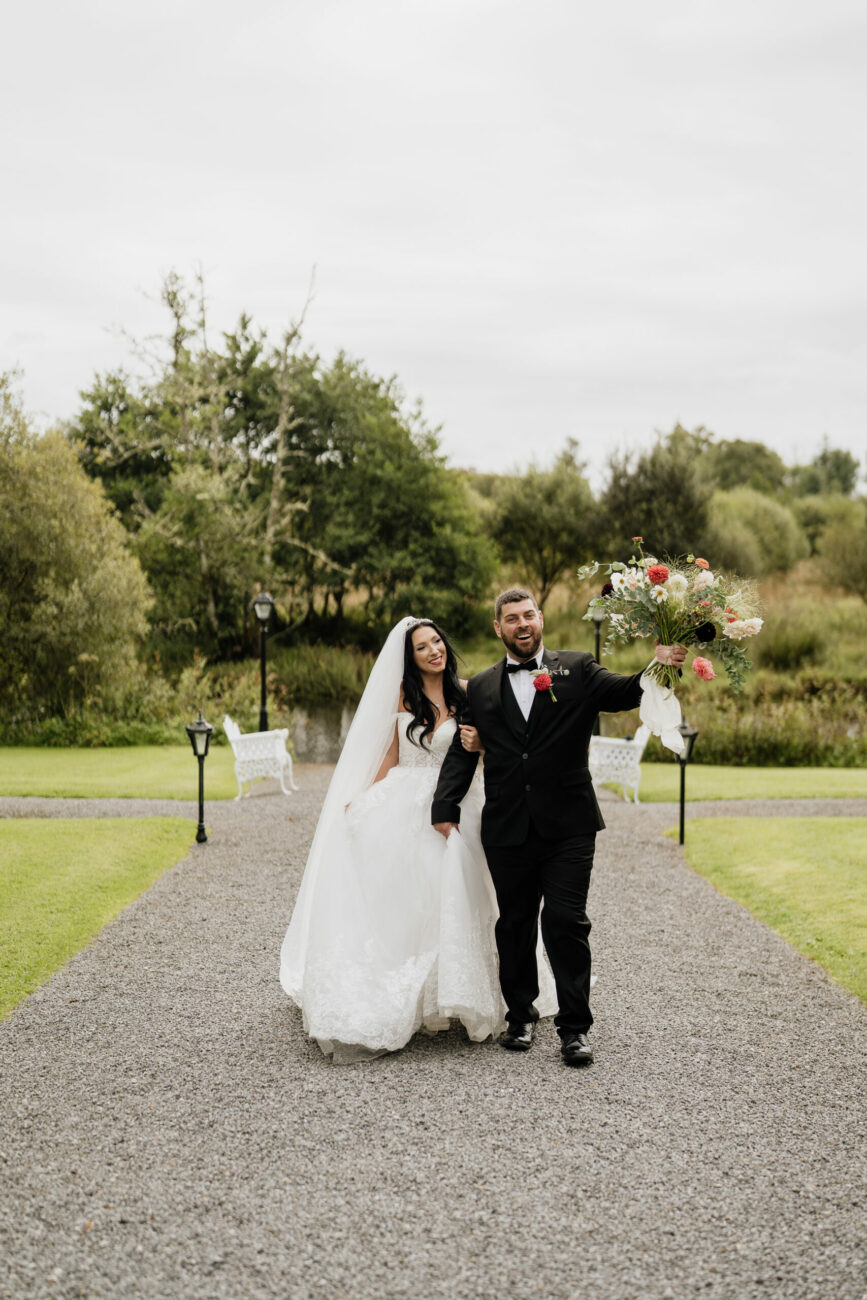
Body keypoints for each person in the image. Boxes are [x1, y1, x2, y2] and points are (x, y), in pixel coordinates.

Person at [280, 615, 556, 1063]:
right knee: (406, 897)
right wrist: (361, 799)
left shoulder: (469, 692)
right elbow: (391, 757)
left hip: (458, 802)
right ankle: (411, 994)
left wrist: (482, 745)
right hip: (404, 801)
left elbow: (502, 746)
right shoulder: (404, 696)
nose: (434, 650)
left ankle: (479, 992)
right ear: (410, 658)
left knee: (470, 891)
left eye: (437, 642)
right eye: (423, 646)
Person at [432, 588, 686, 1068]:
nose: (522, 624)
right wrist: (443, 807)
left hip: (569, 824)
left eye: (529, 615)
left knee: (566, 922)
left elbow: (628, 690)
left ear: (541, 619)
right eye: (511, 618)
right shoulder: (481, 687)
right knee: (514, 924)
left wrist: (662, 665)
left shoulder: (579, 669)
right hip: (506, 825)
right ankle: (521, 1016)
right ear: (498, 629)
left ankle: (574, 1029)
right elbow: (464, 751)